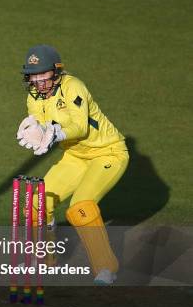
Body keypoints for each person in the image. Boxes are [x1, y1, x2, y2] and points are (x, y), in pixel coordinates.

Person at [16, 45, 129, 284]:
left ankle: (106, 268)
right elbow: (44, 131)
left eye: (43, 74)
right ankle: (45, 261)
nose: (38, 82)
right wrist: (39, 136)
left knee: (81, 207)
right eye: (33, 76)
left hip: (108, 153)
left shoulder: (73, 86)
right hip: (75, 157)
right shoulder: (33, 98)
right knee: (37, 204)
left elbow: (80, 127)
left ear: (56, 72)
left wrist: (54, 133)